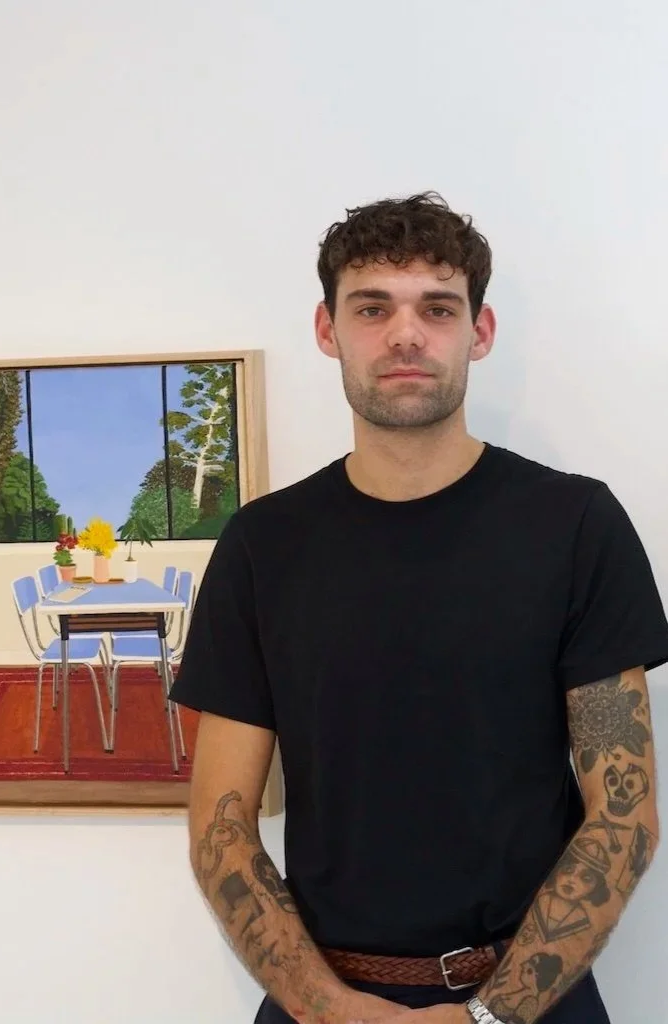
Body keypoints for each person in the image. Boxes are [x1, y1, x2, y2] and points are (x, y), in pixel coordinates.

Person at [169, 192, 668, 1024]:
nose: (406, 334)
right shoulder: (264, 545)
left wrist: (488, 1014)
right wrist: (326, 1007)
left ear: (480, 331)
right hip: (317, 1002)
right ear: (328, 331)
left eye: (437, 307)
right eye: (373, 307)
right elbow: (222, 828)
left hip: (528, 999)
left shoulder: (576, 526)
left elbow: (624, 814)